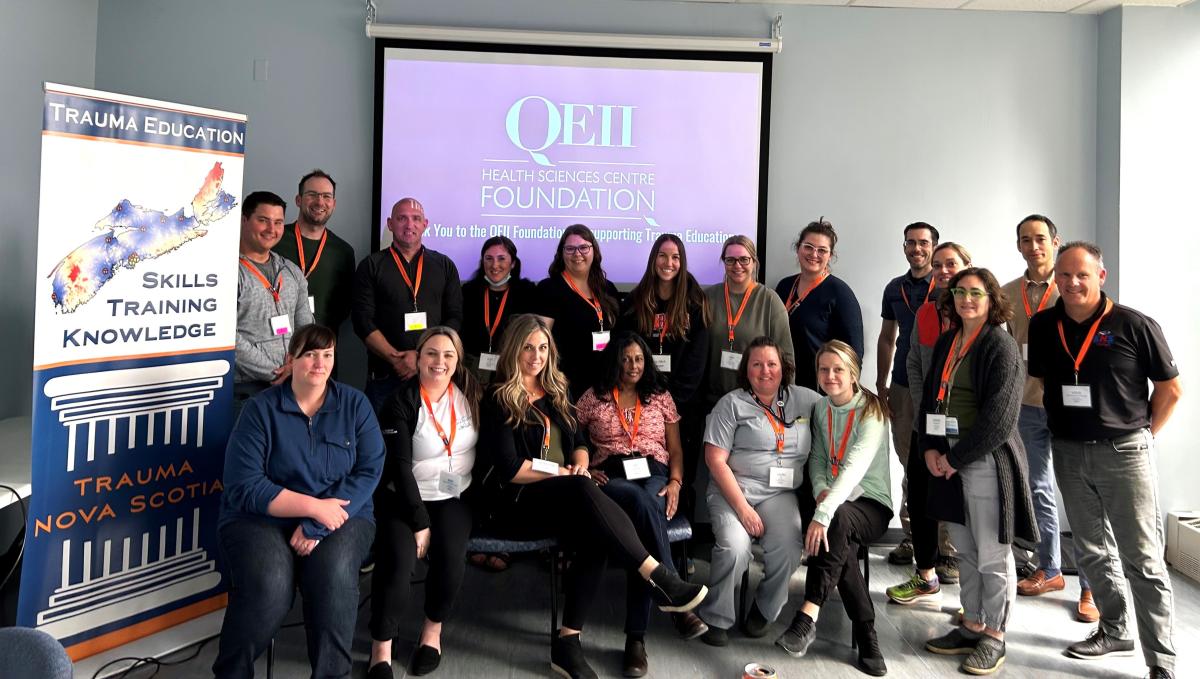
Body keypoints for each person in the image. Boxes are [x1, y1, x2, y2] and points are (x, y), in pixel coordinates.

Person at [478, 314, 707, 679]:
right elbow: (510, 468)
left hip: (565, 492)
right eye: (527, 348)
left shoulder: (557, 391)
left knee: (596, 530)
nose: (535, 356)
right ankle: (659, 575)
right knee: (585, 491)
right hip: (518, 500)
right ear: (513, 350)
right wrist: (566, 473)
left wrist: (580, 465)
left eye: (542, 348)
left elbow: (579, 444)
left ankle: (567, 642)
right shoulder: (499, 396)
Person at [1028, 242, 1181, 679]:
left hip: (1125, 452)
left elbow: (1171, 390)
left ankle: (1162, 661)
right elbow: (1042, 383)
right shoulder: (1043, 325)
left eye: (1082, 274)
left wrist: (1143, 435)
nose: (1072, 283)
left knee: (1143, 558)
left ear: (1101, 275)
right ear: (1054, 277)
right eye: (1064, 275)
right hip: (1070, 451)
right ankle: (1115, 629)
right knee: (1092, 550)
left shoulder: (1134, 324)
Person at [213, 324, 384, 679]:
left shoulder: (355, 405)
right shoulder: (260, 411)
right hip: (259, 518)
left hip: (343, 515)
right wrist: (311, 508)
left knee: (334, 578)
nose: (319, 364)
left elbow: (368, 471)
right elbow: (243, 485)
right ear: (290, 360)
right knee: (269, 586)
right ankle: (232, 673)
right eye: (309, 355)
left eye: (327, 355)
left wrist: (317, 524)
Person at [918, 268, 1037, 676]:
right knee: (965, 549)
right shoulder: (949, 341)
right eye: (960, 292)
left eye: (976, 292)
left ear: (990, 298)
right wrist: (931, 448)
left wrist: (954, 458)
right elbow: (930, 401)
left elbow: (1000, 419)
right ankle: (971, 623)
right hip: (948, 458)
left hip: (984, 460)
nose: (967, 299)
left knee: (992, 553)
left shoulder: (999, 345)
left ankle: (995, 635)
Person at [575, 334, 708, 677]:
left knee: (641, 527)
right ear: (614, 361)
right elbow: (570, 437)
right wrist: (585, 467)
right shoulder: (594, 397)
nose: (632, 366)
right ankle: (670, 606)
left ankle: (637, 639)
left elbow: (676, 450)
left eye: (638, 359)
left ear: (646, 361)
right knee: (640, 503)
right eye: (625, 359)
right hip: (612, 475)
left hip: (655, 471)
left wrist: (676, 483)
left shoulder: (660, 397)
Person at [368, 327, 481, 678]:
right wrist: (419, 521)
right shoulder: (399, 401)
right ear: (417, 358)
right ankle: (381, 648)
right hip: (404, 497)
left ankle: (432, 632)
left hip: (453, 496)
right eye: (431, 353)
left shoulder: (471, 394)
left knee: (450, 556)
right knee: (399, 564)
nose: (439, 362)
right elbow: (399, 468)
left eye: (448, 355)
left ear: (458, 360)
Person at [775, 340, 892, 677]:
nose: (830, 376)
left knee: (837, 522)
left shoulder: (871, 411)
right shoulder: (821, 409)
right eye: (824, 369)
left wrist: (822, 515)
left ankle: (808, 615)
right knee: (842, 545)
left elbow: (854, 466)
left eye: (838, 369)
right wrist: (821, 491)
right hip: (834, 501)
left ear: (853, 373)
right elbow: (817, 459)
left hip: (871, 503)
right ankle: (868, 634)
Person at [999, 215, 1096, 621]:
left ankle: (1092, 588)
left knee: (1084, 494)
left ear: (1054, 242)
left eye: (1040, 238)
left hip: (1071, 407)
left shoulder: (1072, 288)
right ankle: (1050, 569)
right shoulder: (1007, 293)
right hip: (1027, 404)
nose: (1033, 246)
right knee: (1038, 487)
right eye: (1026, 239)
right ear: (1018, 245)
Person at [698, 336, 820, 647]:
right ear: (746, 369)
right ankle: (717, 617)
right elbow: (715, 460)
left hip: (779, 494)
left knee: (790, 548)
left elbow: (843, 408)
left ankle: (765, 609)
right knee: (735, 548)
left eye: (772, 364)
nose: (765, 371)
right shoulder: (731, 403)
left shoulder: (807, 400)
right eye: (756, 364)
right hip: (734, 490)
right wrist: (742, 509)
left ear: (784, 367)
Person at [886, 241, 971, 603]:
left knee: (967, 500)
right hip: (929, 419)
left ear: (967, 265)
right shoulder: (926, 313)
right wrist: (927, 414)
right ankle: (925, 575)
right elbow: (915, 367)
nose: (943, 271)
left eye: (951, 264)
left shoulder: (980, 310)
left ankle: (973, 592)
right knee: (920, 493)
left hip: (968, 425)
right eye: (938, 266)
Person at [613, 234, 711, 519]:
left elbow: (697, 362)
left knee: (682, 477)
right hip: (639, 405)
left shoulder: (695, 302)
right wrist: (645, 401)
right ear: (653, 259)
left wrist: (668, 403)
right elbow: (624, 353)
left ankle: (682, 547)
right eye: (663, 255)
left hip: (683, 407)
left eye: (675, 257)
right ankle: (641, 535)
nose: (669, 263)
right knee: (644, 474)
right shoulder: (635, 300)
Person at [353, 198, 463, 411]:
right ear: (390, 223)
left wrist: (423, 357)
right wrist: (396, 359)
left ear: (425, 224)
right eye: (402, 218)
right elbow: (362, 321)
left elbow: (454, 317)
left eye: (416, 219)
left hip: (434, 376)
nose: (409, 225)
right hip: (385, 377)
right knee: (383, 443)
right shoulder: (371, 265)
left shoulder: (444, 265)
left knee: (431, 442)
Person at [876, 221, 939, 566]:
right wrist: (881, 383)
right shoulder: (894, 288)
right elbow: (887, 338)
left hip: (939, 388)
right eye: (911, 243)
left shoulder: (946, 287)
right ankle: (913, 539)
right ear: (904, 247)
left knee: (941, 463)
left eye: (923, 243)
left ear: (934, 247)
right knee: (910, 464)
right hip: (901, 386)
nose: (917, 249)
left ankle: (946, 549)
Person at [235, 191, 314, 406]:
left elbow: (306, 326)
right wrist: (275, 371)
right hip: (246, 391)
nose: (272, 229)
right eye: (263, 221)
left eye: (278, 222)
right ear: (244, 220)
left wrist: (297, 366)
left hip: (292, 386)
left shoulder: (291, 271)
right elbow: (226, 337)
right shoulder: (228, 272)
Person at [703, 235, 794, 406]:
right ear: (724, 262)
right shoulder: (708, 298)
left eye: (744, 259)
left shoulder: (770, 301)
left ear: (754, 262)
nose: (737, 266)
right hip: (713, 400)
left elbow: (786, 357)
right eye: (730, 260)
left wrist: (784, 403)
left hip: (757, 401)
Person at [774, 219, 864, 391]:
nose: (814, 254)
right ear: (798, 248)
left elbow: (855, 353)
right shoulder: (784, 286)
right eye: (808, 246)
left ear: (830, 256)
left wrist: (840, 392)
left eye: (822, 250)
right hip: (783, 382)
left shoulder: (840, 293)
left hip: (821, 387)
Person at [534, 224, 621, 400]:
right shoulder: (549, 289)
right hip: (565, 386)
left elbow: (620, 335)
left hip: (605, 385)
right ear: (561, 253)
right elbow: (539, 339)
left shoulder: (608, 289)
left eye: (583, 248)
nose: (577, 254)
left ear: (594, 251)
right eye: (570, 249)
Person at [272, 169, 356, 334]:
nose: (320, 202)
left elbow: (345, 306)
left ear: (334, 203)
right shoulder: (275, 239)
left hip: (323, 349)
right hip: (278, 346)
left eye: (326, 196)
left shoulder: (343, 251)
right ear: (298, 200)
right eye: (312, 194)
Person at [459, 236, 539, 386]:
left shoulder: (527, 293)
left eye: (501, 258)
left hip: (512, 372)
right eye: (489, 258)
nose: (494, 265)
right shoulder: (468, 292)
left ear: (513, 263)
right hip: (472, 371)